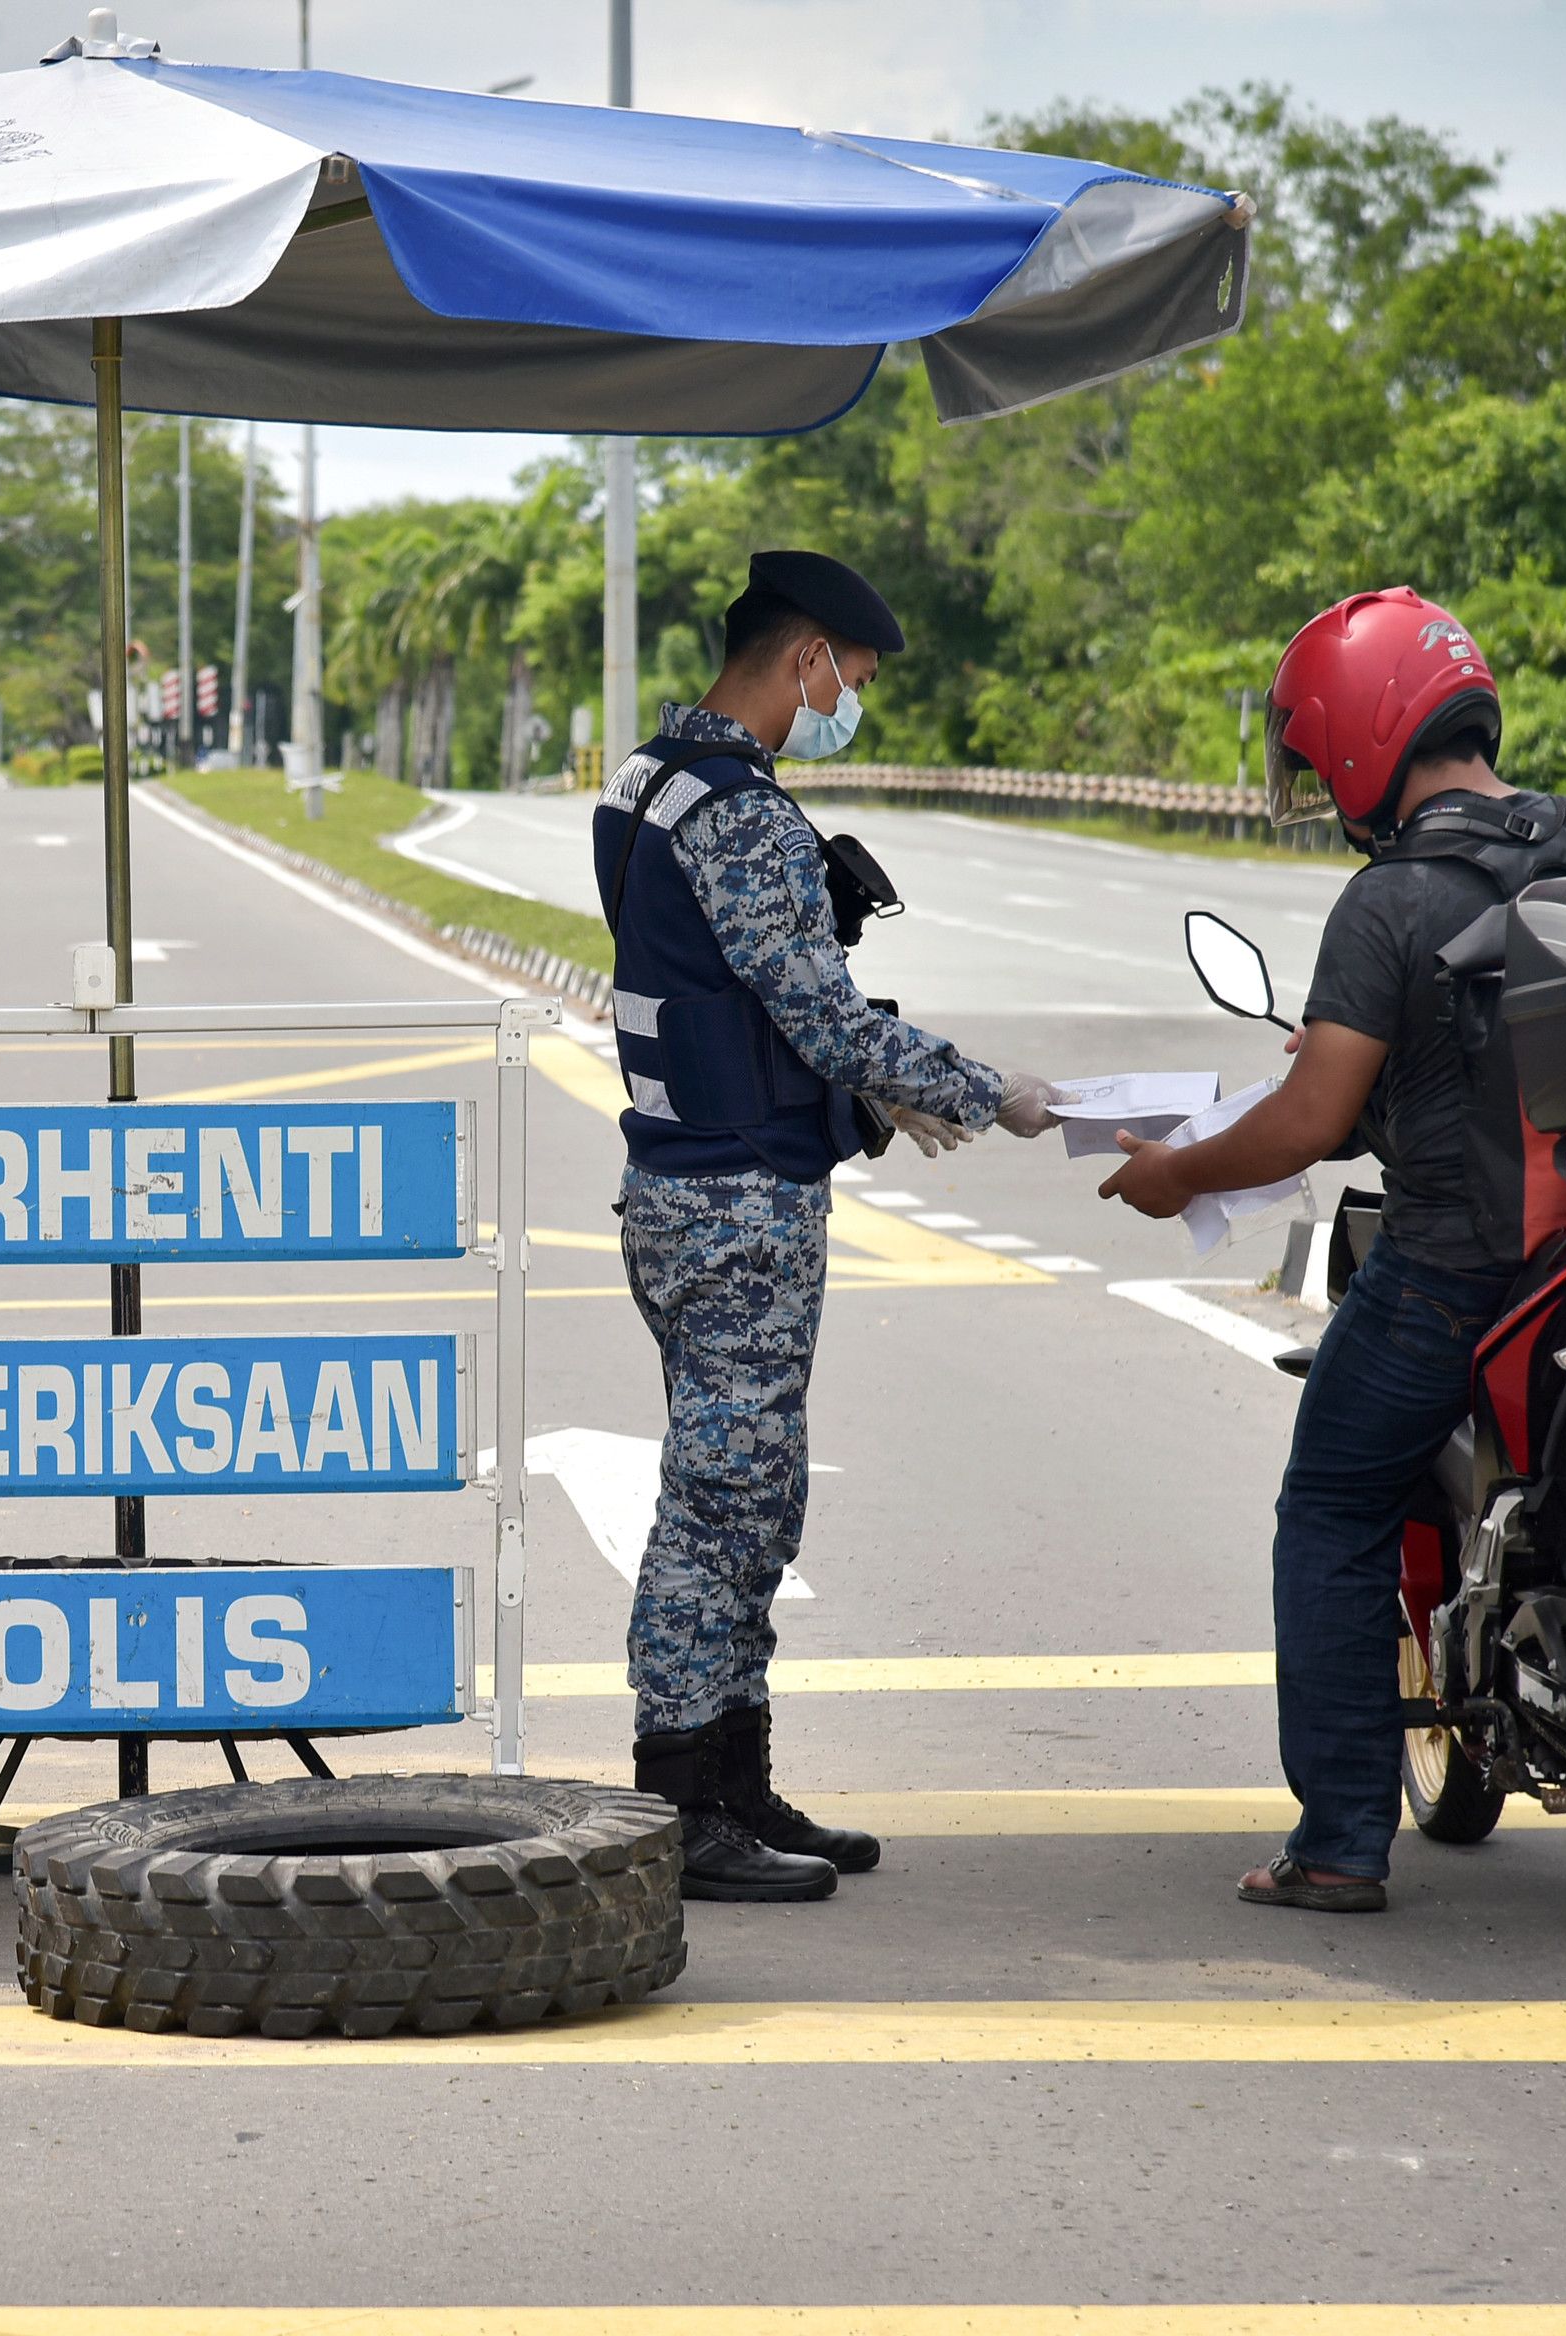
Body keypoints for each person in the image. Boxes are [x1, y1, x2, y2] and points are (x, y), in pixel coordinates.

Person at [1099, 586, 1566, 1914]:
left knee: (1331, 1511)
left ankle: (1342, 1839)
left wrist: (1178, 1173)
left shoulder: (1390, 899)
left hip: (1461, 1270)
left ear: (1354, 737)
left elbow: (1308, 1120)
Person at [601, 548, 1064, 1902]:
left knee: (750, 1498)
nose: (847, 705)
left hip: (688, 1185)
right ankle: (684, 1804)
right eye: (847, 682)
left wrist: (858, 1101)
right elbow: (815, 1014)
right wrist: (994, 1095)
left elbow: (722, 1003)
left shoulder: (645, 783)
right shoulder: (738, 813)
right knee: (721, 1505)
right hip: (734, 1203)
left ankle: (735, 1778)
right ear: (801, 660)